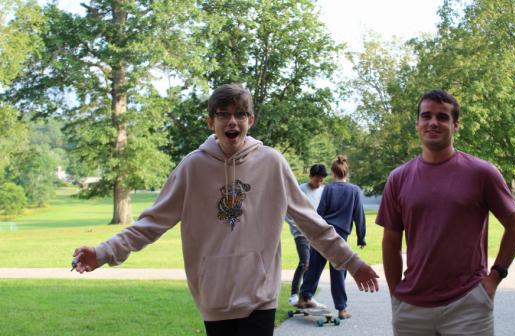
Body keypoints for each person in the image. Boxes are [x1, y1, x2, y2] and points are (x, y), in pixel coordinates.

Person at [71, 84, 379, 336]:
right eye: (223, 114)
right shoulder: (192, 167)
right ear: (211, 122)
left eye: (240, 114)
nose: (232, 121)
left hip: (261, 294)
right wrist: (102, 253)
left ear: (250, 120)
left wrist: (351, 261)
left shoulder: (272, 163)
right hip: (214, 296)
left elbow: (311, 223)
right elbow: (151, 223)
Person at [376, 90, 515, 335]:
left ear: (455, 126)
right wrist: (396, 298)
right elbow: (390, 243)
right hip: (411, 309)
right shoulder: (398, 178)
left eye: (442, 117)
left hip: (468, 305)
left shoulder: (482, 173)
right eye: (426, 116)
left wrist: (495, 276)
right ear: (417, 124)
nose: (433, 122)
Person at [297, 155, 367, 320]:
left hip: (324, 232)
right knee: (338, 271)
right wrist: (361, 237)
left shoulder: (327, 189)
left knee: (315, 266)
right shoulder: (355, 190)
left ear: (333, 173)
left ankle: (303, 298)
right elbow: (359, 215)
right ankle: (342, 309)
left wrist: (314, 234)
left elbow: (320, 212)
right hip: (340, 236)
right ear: (345, 172)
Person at [284, 164, 329, 307]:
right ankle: (294, 295)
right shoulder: (300, 190)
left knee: (312, 264)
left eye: (321, 180)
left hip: (315, 234)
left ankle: (307, 296)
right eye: (316, 180)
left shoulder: (323, 191)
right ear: (310, 176)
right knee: (305, 262)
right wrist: (299, 227)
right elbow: (287, 211)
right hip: (301, 233)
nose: (319, 183)